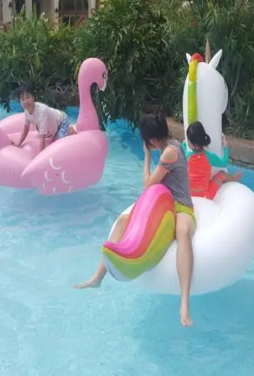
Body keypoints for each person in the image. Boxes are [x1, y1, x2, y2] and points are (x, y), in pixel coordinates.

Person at [75, 112, 197, 327]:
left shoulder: (170, 152)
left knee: (183, 233)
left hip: (181, 206)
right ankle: (98, 276)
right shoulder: (171, 144)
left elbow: (148, 185)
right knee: (123, 221)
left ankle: (184, 303)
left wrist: (147, 157)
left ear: (151, 141)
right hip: (164, 204)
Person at [185, 121, 242, 199]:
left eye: (188, 140)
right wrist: (225, 148)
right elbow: (224, 163)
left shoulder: (187, 156)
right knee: (222, 174)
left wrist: (183, 145)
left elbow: (184, 150)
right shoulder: (209, 157)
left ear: (192, 144)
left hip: (189, 193)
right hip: (205, 195)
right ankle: (234, 178)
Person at [13, 85, 75, 150]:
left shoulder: (41, 111)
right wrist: (19, 144)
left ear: (33, 97)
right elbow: (26, 128)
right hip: (53, 125)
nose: (25, 102)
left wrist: (41, 154)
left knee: (59, 141)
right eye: (22, 99)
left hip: (62, 120)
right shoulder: (27, 111)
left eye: (28, 97)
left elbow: (42, 137)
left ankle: (70, 131)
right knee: (40, 128)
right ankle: (60, 132)